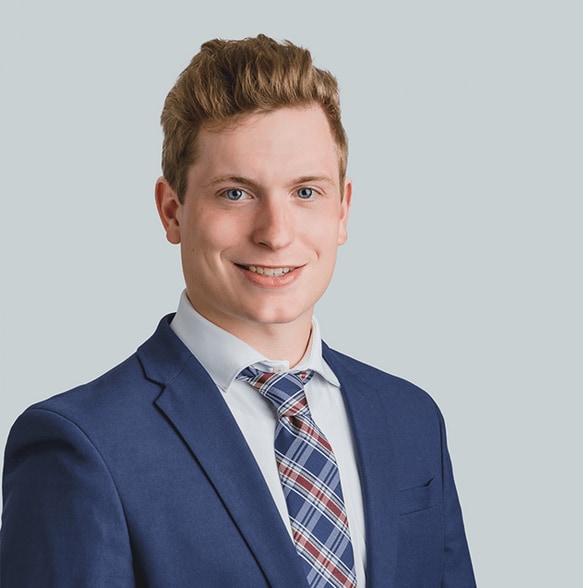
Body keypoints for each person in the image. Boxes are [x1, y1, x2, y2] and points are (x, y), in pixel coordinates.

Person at [0, 35, 476, 587]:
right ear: (172, 211)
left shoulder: (411, 419)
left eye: (305, 192)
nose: (275, 233)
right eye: (235, 193)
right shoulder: (82, 446)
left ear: (343, 211)